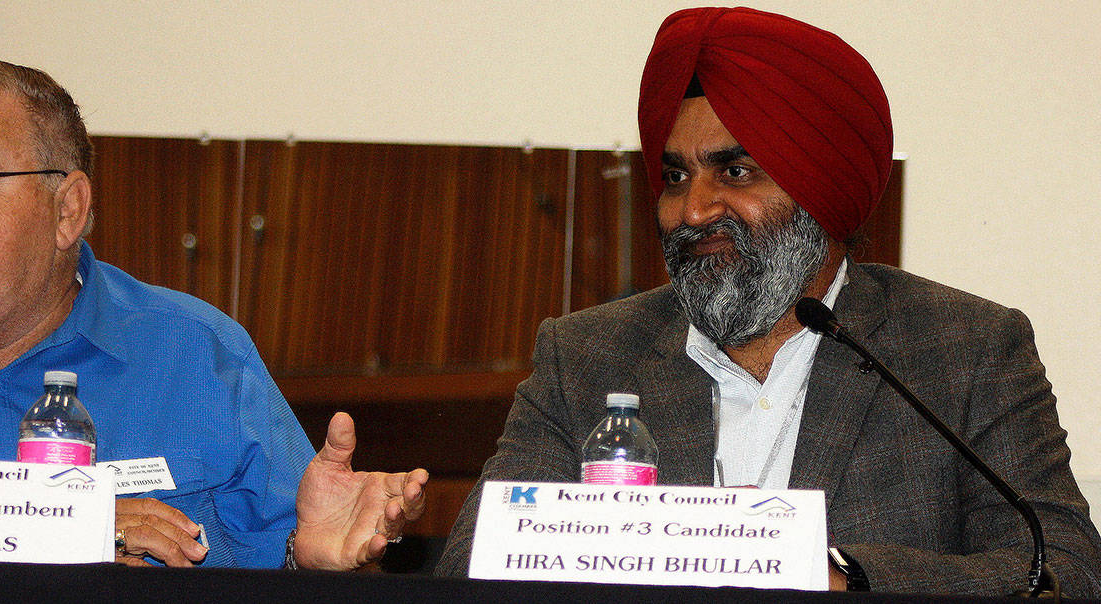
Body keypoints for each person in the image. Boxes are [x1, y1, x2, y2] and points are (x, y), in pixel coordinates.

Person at [436, 7, 1101, 596]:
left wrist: (846, 577)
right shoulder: (587, 355)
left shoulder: (966, 348)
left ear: (821, 187)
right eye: (675, 177)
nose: (693, 209)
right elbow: (474, 567)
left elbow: (1065, 571)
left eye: (734, 171)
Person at [0, 53, 427, 570]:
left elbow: (289, 564)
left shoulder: (196, 354)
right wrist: (63, 529)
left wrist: (309, 563)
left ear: (67, 211)